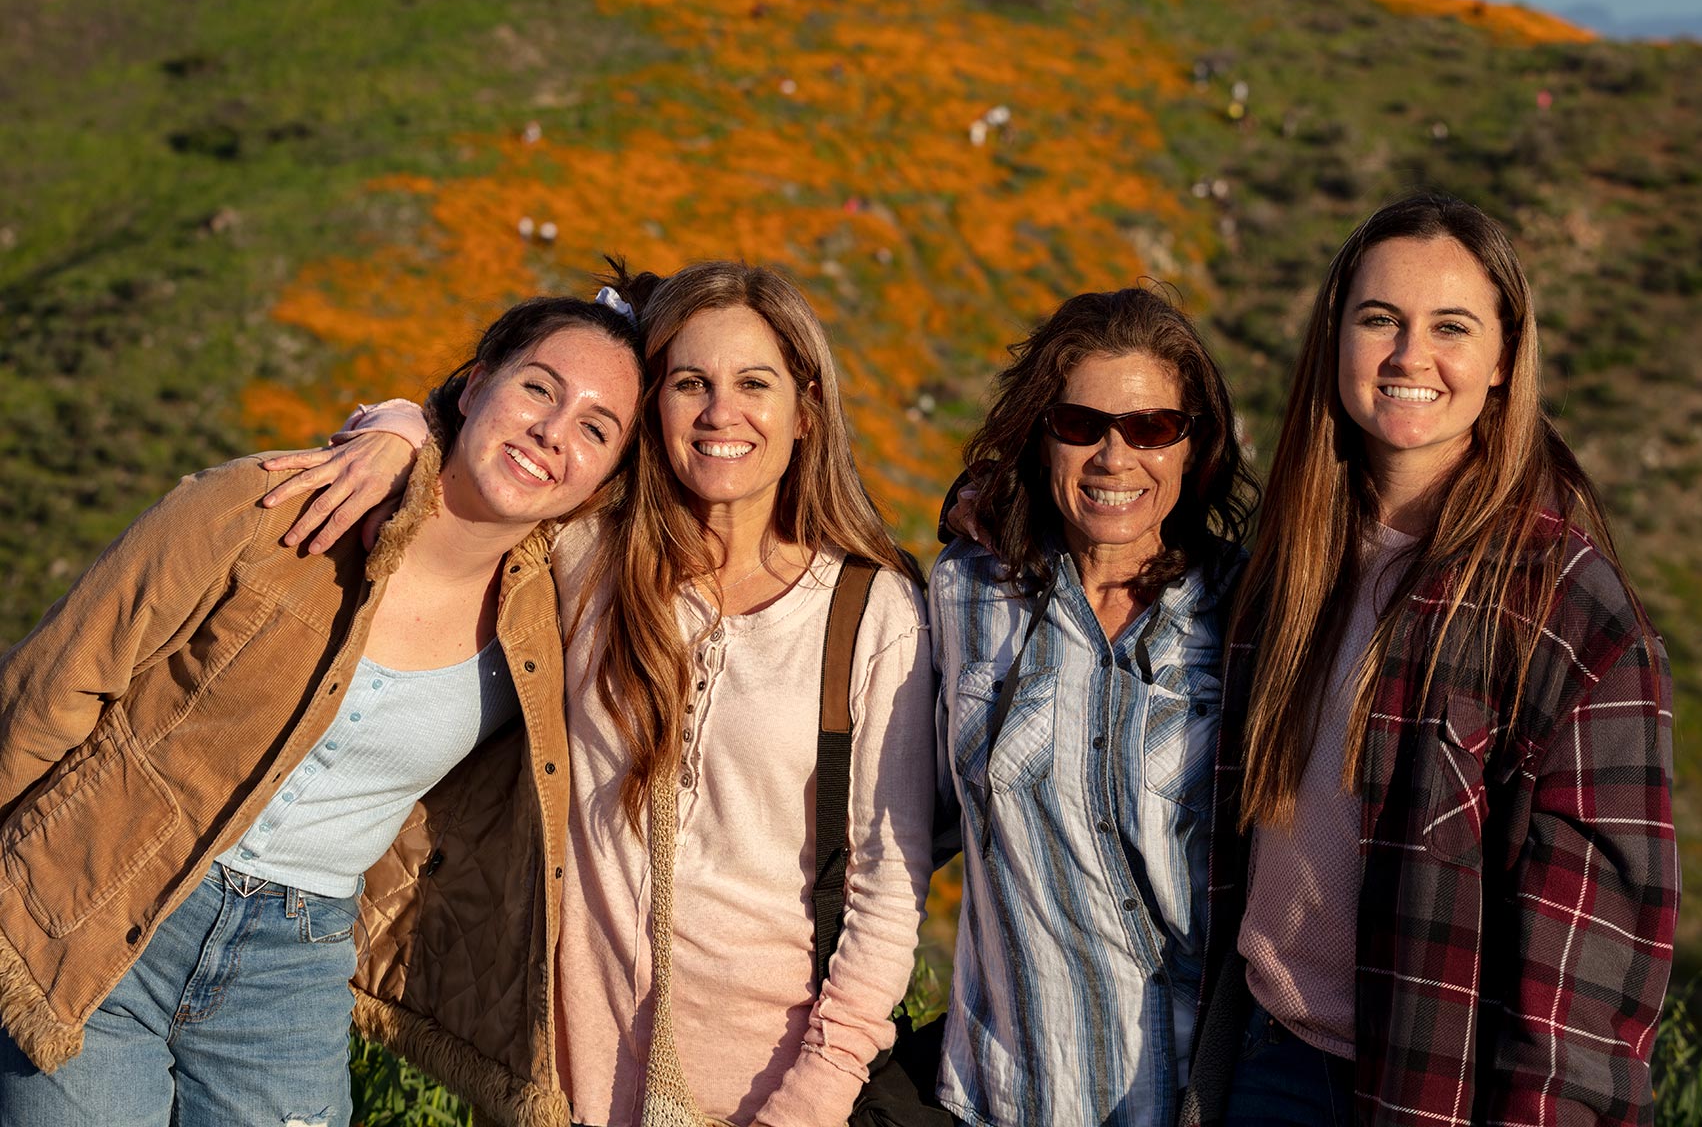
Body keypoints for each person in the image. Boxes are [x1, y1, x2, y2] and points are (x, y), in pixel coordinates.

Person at [276, 259, 936, 1127]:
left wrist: (810, 1100)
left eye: (754, 384)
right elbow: (494, 455)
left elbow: (888, 889)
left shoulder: (868, 609)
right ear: (652, 406)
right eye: (689, 382)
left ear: (806, 410)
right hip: (571, 1084)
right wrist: (401, 426)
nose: (720, 414)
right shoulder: (588, 556)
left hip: (769, 1090)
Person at [0, 279, 652, 1127]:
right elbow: (51, 691)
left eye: (595, 429)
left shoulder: (554, 619)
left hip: (292, 966)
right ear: (476, 380)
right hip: (102, 896)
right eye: (538, 387)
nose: (551, 433)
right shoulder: (265, 507)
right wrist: (401, 427)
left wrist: (402, 429)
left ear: (604, 479)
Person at [1183, 194, 1678, 1127]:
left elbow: (1592, 973)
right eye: (1380, 320)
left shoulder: (1569, 613)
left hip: (1431, 1092)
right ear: (1336, 344)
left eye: (1451, 327)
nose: (1411, 356)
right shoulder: (1283, 571)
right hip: (1261, 1062)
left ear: (1502, 362)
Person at [930, 287, 1256, 1127]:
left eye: (1151, 428)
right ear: (1044, 438)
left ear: (1195, 448)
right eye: (1081, 425)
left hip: (1194, 1099)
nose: (1115, 456)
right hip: (1002, 1099)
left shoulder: (1249, 615)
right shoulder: (967, 594)